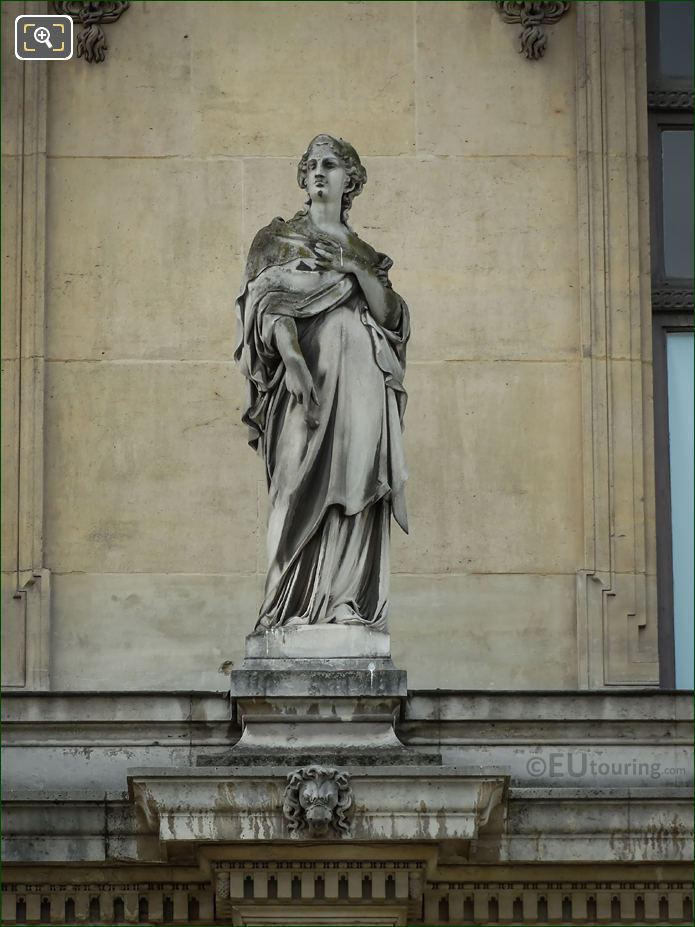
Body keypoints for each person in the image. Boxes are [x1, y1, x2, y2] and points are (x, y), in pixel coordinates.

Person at [235, 134, 410, 631]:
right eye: (310, 165)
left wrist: (354, 268)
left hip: (361, 389)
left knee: (357, 485)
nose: (317, 172)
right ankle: (287, 606)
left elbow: (393, 318)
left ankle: (344, 602)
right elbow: (263, 305)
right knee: (294, 488)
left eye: (330, 165)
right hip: (303, 389)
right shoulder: (276, 240)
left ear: (350, 179)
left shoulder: (364, 253)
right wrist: (290, 355)